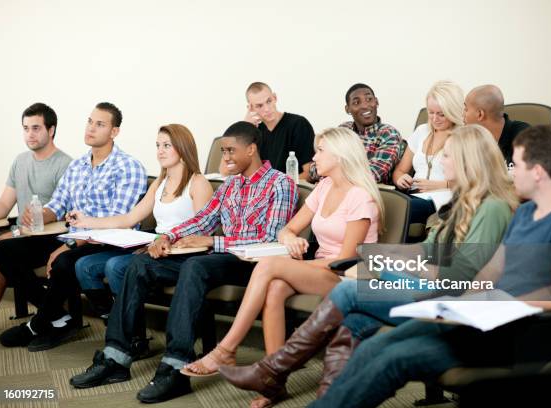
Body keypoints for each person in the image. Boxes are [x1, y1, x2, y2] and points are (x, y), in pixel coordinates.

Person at [291, 125, 551, 408]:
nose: (510, 172)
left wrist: (495, 304)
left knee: (393, 358)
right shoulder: (527, 213)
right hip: (479, 323)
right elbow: (491, 271)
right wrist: (463, 302)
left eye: (516, 165)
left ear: (539, 172)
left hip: (514, 336)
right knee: (374, 347)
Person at [218, 124, 519, 404]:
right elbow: (426, 251)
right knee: (355, 321)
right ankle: (322, 396)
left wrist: (380, 265)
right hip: (432, 289)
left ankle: (272, 369)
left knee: (349, 294)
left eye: (448, 155)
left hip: (452, 301)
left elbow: (459, 276)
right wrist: (378, 260)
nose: (442, 160)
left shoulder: (491, 207)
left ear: (469, 161)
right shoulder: (461, 203)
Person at [69, 121, 298, 404]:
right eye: (223, 151)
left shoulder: (280, 183)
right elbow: (202, 219)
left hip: (254, 262)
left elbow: (267, 240)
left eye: (230, 151)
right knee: (137, 264)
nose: (224, 157)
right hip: (223, 256)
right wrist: (169, 236)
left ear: (251, 150)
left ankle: (176, 365)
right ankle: (116, 357)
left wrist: (211, 242)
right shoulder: (230, 185)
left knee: (195, 266)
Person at [183, 126, 385, 407]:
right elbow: (287, 229)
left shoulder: (360, 197)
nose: (314, 156)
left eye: (321, 151)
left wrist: (297, 255)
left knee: (267, 266)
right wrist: (292, 241)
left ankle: (226, 349)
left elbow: (347, 260)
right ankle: (273, 383)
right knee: (275, 288)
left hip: (352, 276)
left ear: (340, 156)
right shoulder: (324, 187)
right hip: (322, 267)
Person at [0, 102, 146, 351]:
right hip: (72, 237)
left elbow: (117, 222)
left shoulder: (128, 167)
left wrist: (70, 244)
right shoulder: (77, 166)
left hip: (105, 241)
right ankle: (58, 317)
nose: (91, 128)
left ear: (114, 132)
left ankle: (39, 323)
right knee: (3, 249)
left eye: (100, 124)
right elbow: (57, 204)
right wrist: (39, 214)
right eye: (90, 121)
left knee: (64, 261)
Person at [69, 124, 213, 318]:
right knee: (84, 266)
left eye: (167, 145)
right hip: (154, 244)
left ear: (183, 147)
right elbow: (130, 218)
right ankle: (114, 319)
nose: (160, 151)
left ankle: (132, 333)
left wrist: (164, 241)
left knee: (115, 266)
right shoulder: (160, 183)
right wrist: (87, 221)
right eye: (158, 145)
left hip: (179, 252)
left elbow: (202, 232)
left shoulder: (198, 183)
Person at [0, 103, 72, 310]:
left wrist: (16, 233)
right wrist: (15, 232)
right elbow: (3, 205)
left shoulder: (66, 165)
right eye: (26, 128)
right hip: (20, 235)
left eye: (36, 128)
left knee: (1, 250)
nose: (30, 134)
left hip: (48, 238)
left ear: (51, 130)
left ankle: (51, 312)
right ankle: (52, 312)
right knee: (1, 252)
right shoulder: (20, 161)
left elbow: (63, 218)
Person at [392, 80, 464, 227]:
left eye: (441, 114)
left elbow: (476, 182)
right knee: (377, 201)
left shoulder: (464, 137)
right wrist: (400, 179)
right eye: (431, 112)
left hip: (441, 198)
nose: (434, 119)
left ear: (453, 111)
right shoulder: (421, 131)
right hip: (412, 194)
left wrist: (440, 185)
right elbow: (399, 171)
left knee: (399, 210)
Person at [310, 83, 403, 185]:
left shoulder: (388, 133)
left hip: (372, 193)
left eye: (369, 99)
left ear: (376, 102)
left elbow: (373, 174)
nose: (364, 105)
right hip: (336, 188)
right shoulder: (344, 129)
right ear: (347, 109)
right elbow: (315, 169)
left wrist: (332, 174)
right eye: (356, 102)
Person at [240, 82, 315, 180]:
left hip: (290, 190)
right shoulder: (254, 132)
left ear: (275, 98)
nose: (267, 109)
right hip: (263, 191)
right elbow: (232, 169)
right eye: (259, 106)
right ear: (251, 108)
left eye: (269, 101)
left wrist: (276, 187)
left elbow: (309, 173)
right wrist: (245, 127)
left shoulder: (298, 124)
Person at [463, 84, 530, 167]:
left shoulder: (524, 137)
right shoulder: (474, 141)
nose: (463, 114)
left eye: (466, 109)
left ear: (480, 114)